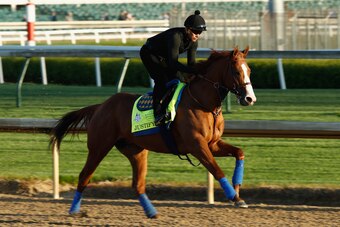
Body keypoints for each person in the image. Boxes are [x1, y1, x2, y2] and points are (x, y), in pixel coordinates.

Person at [140, 10, 206, 125]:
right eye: (195, 31)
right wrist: (193, 70)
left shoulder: (193, 42)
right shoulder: (175, 37)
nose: (197, 35)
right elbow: (173, 63)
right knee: (161, 80)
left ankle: (174, 109)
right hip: (149, 53)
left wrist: (199, 74)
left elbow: (191, 64)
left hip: (164, 57)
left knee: (180, 81)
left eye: (200, 32)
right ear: (187, 29)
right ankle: (158, 113)